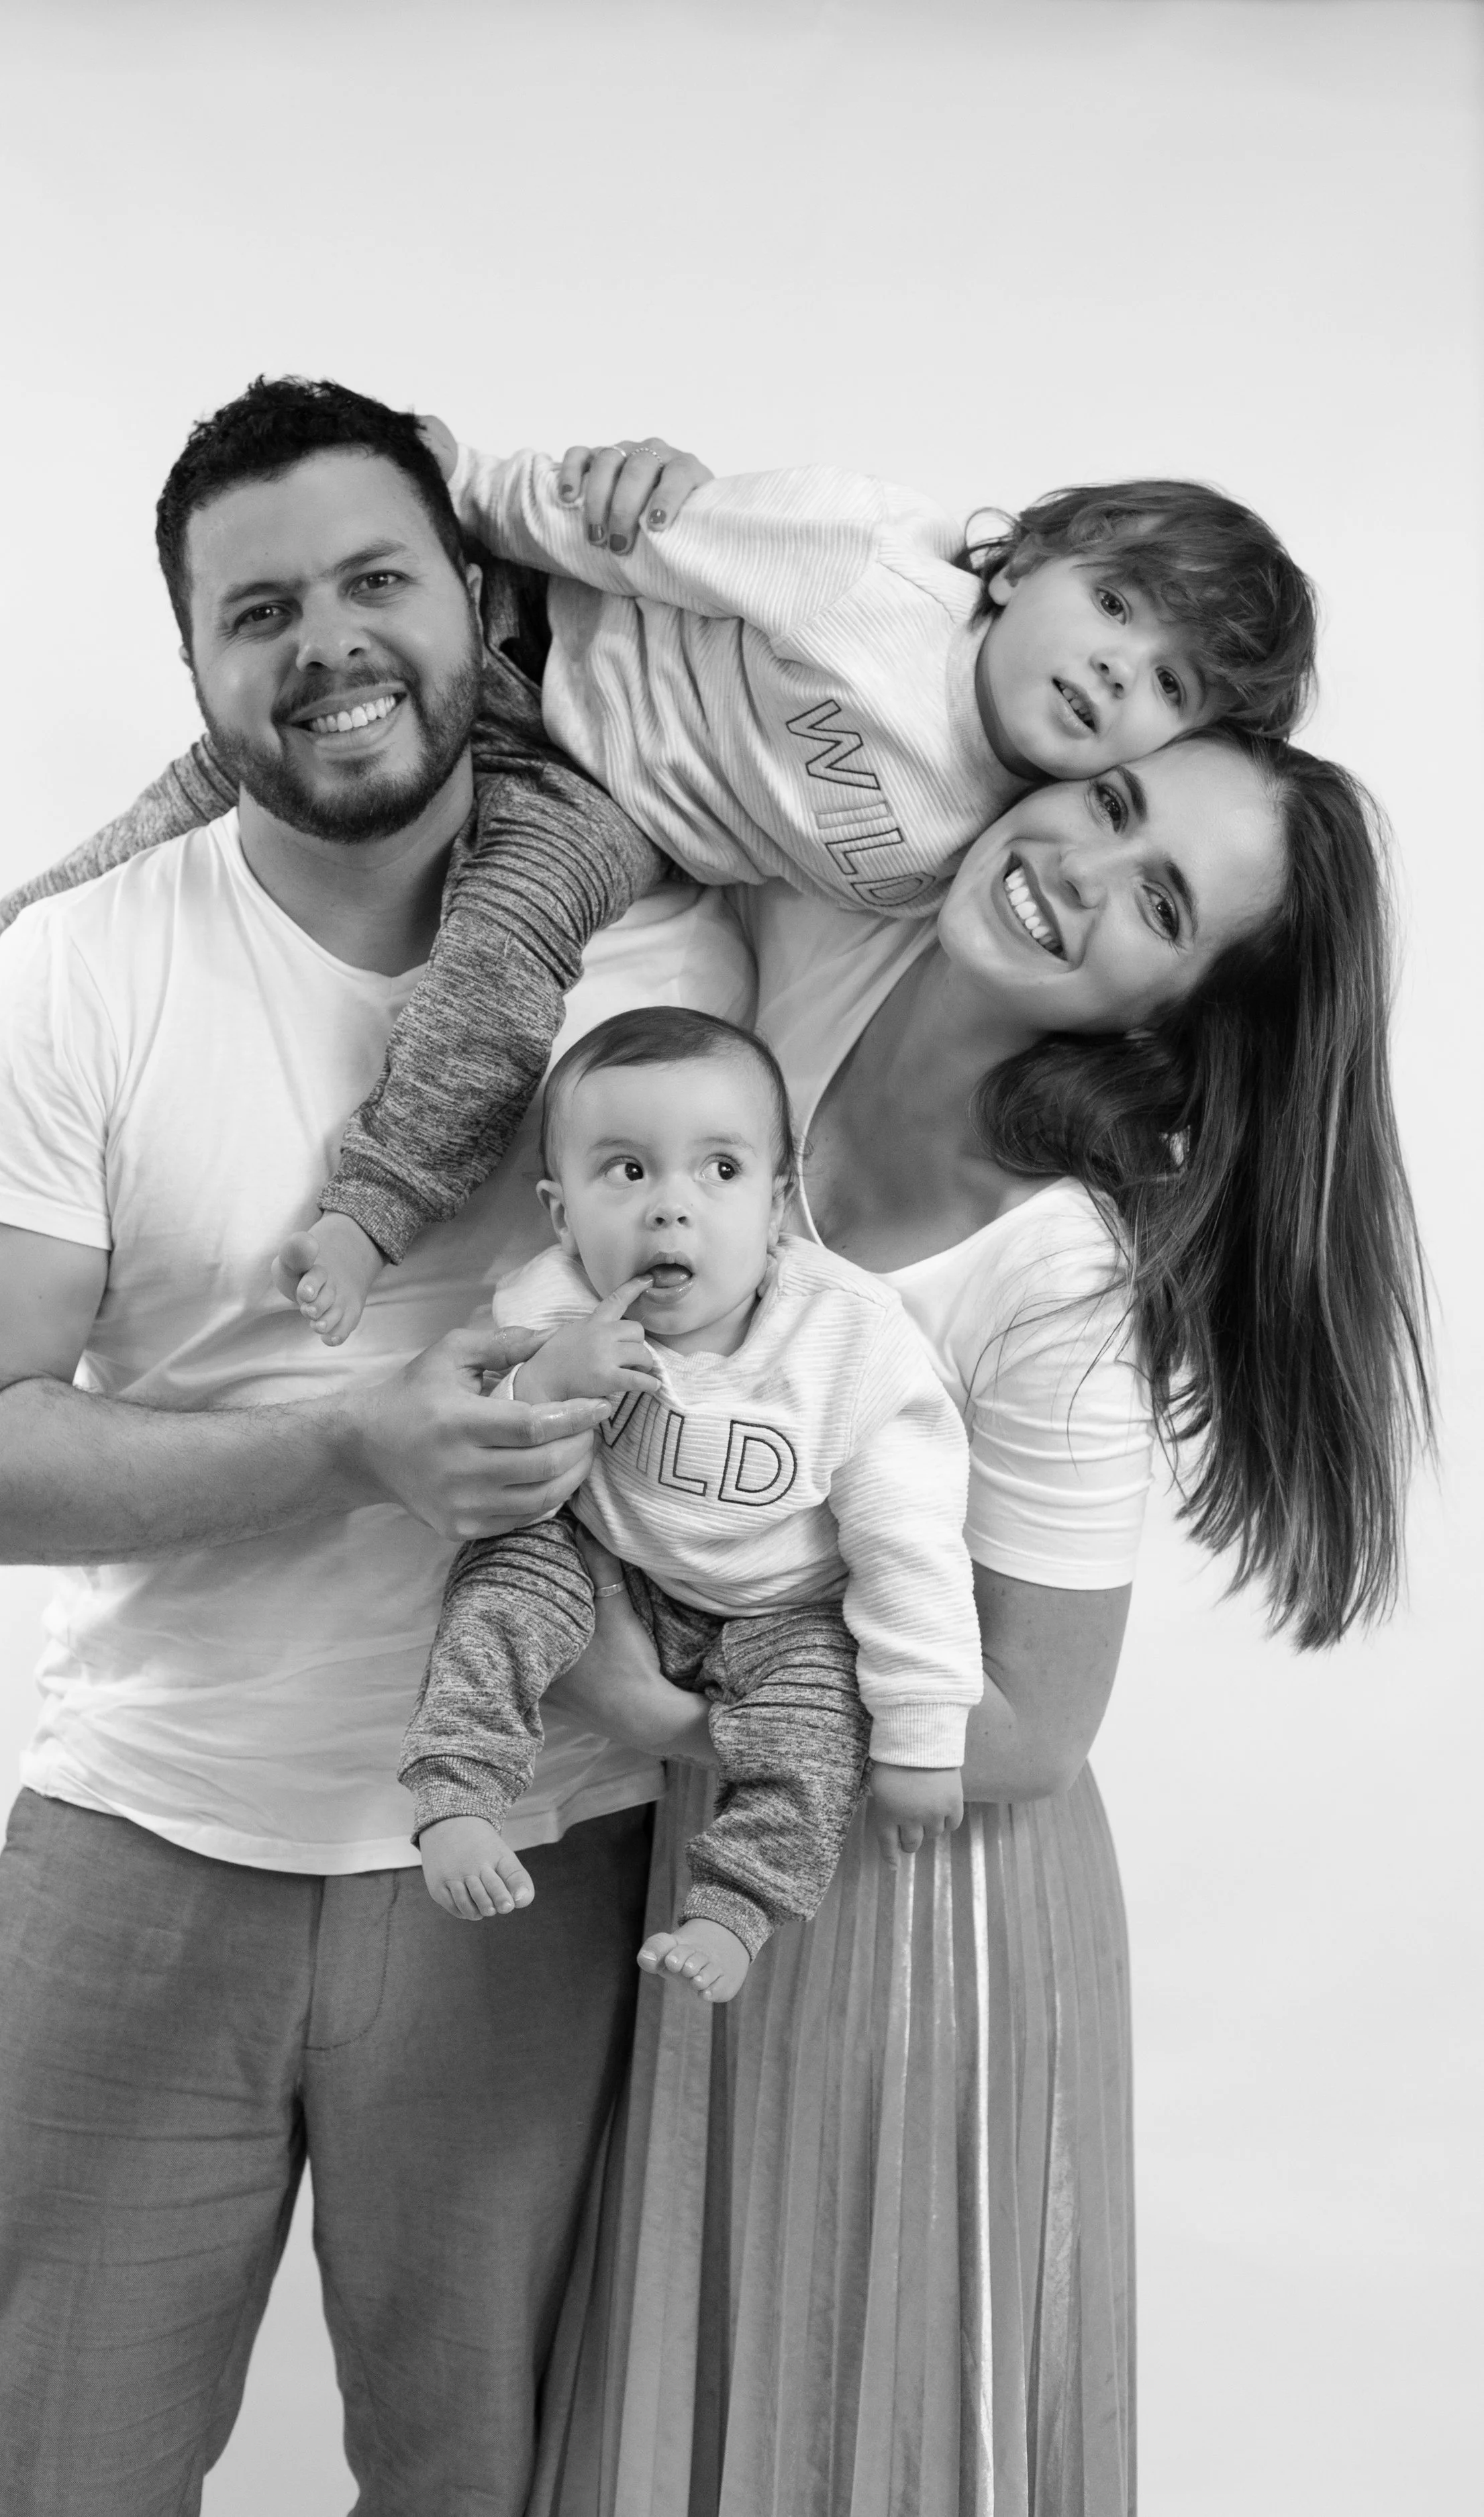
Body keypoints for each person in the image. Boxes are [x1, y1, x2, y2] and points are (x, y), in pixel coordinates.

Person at [0, 385, 752, 2516]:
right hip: (141, 1843)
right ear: (194, 666)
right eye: (258, 609)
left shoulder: (659, 952)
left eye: (377, 580)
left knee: (483, 2484)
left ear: (475, 597)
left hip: (531, 1857)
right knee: (66, 2479)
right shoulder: (82, 972)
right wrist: (355, 1444)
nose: (329, 643)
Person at [524, 730, 1431, 2514]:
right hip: (723, 1846)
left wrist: (660, 1712)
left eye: (1157, 903)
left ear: (1168, 1013)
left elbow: (1028, 1724)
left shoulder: (1057, 1267)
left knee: (858, 2422)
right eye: (1110, 803)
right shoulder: (805, 974)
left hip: (919, 1896)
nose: (1079, 870)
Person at [0, 411, 1317, 1349]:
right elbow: (642, 530)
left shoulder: (1001, 857)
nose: (1111, 667)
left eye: (1166, 683)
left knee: (501, 962)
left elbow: (1167, 906)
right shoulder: (870, 570)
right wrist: (445, 494)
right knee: (186, 800)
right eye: (1110, 603)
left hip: (597, 804)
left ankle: (368, 1210)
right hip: (531, 649)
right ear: (1027, 559)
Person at [401, 1007, 983, 2005]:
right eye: (628, 1171)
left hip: (783, 1611)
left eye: (720, 1170)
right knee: (502, 1579)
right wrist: (547, 1382)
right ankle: (457, 1789)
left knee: (819, 1722)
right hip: (614, 1567)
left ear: (778, 1201)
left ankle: (734, 1908)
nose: (672, 1210)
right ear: (561, 1215)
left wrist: (922, 1736)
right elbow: (477, 1458)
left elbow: (910, 1544)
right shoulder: (551, 1308)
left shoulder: (846, 1342)